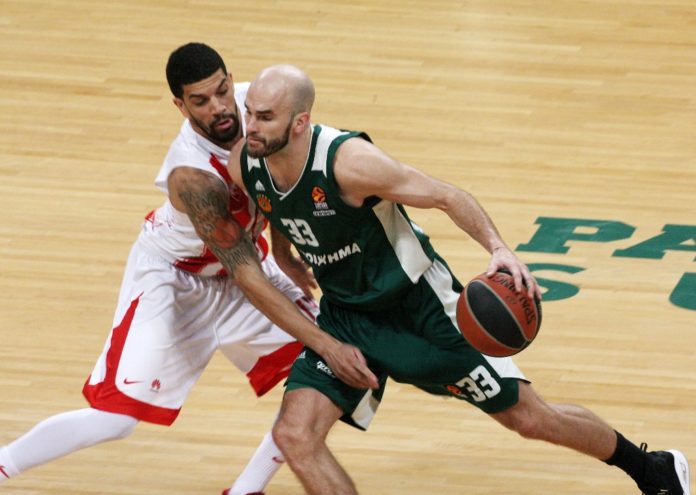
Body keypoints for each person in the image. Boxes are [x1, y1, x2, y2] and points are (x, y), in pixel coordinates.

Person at [226, 64, 690, 495]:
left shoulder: (351, 163)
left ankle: (654, 469)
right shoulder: (246, 162)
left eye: (266, 117)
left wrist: (498, 248)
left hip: (421, 309)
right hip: (347, 318)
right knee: (295, 435)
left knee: (530, 419)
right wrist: (283, 253)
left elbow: (447, 196)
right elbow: (277, 205)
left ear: (301, 122)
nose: (252, 126)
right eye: (250, 112)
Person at [0, 43, 377, 495]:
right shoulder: (192, 176)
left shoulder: (258, 106)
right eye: (200, 101)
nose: (219, 107)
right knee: (115, 420)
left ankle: (245, 490)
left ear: (230, 79)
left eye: (221, 91)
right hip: (177, 278)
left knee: (325, 376)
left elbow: (283, 180)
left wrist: (283, 253)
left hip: (240, 264)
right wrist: (325, 342)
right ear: (180, 106)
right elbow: (247, 276)